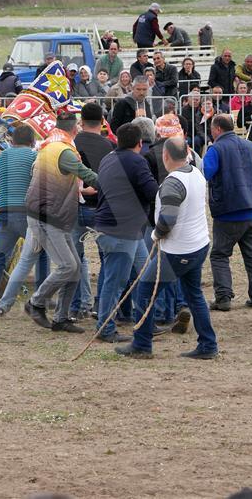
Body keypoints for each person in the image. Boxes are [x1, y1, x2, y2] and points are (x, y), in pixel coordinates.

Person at [116, 137, 217, 359]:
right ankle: (208, 345)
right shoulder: (197, 174)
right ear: (188, 153)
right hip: (198, 245)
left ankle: (142, 345)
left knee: (144, 291)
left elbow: (168, 219)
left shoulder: (173, 182)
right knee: (194, 294)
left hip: (179, 250)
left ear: (165, 156)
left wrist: (156, 234)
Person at [23, 112, 98, 334]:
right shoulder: (63, 151)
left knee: (73, 269)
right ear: (74, 129)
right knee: (68, 266)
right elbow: (87, 175)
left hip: (53, 215)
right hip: (47, 216)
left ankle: (61, 318)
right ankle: (36, 302)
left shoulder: (49, 146)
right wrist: (113, 184)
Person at [93, 123, 158, 344]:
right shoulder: (138, 161)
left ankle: (145, 320)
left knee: (143, 273)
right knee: (115, 282)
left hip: (115, 228)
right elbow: (152, 192)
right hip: (122, 230)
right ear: (140, 143)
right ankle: (105, 328)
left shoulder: (107, 159)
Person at [203, 115, 252, 311]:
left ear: (217, 129)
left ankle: (223, 297)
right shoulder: (251, 146)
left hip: (227, 211)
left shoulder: (215, 149)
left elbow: (205, 174)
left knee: (219, 255)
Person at [0, 123, 39, 316]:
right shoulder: (34, 156)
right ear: (32, 141)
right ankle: (41, 298)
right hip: (25, 213)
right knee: (40, 253)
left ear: (13, 141)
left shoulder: (4, 156)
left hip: (3, 212)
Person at [68, 102, 114, 319]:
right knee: (106, 258)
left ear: (81, 122)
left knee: (75, 258)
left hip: (76, 206)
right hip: (103, 206)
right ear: (103, 121)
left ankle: (76, 306)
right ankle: (100, 304)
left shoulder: (71, 144)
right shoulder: (109, 146)